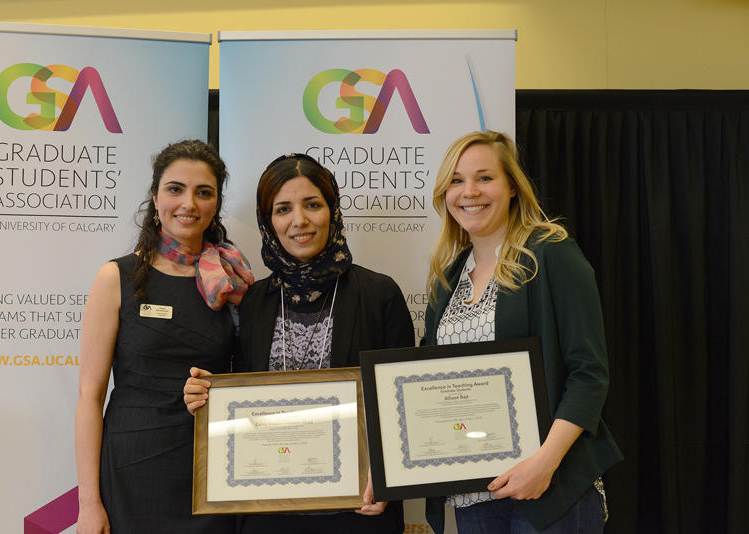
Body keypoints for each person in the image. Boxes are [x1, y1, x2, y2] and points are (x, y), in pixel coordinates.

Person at [184, 153, 414, 534]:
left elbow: (402, 403)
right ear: (268, 221)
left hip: (358, 510)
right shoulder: (254, 300)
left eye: (312, 205)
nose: (299, 221)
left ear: (333, 210)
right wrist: (205, 396)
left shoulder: (378, 294)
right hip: (269, 513)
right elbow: (239, 399)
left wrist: (387, 474)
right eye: (283, 209)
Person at [422, 131, 623, 534]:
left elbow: (589, 374)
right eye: (456, 181)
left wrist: (543, 464)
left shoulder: (551, 253)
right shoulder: (447, 280)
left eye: (484, 178)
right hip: (474, 492)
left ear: (512, 186)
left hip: (552, 485)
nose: (469, 192)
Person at [75, 140, 253, 534]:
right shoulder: (115, 278)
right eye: (175, 189)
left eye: (203, 192)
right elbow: (90, 397)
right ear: (155, 198)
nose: (189, 203)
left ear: (215, 204)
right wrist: (88, 503)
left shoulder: (234, 284)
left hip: (211, 470)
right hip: (131, 469)